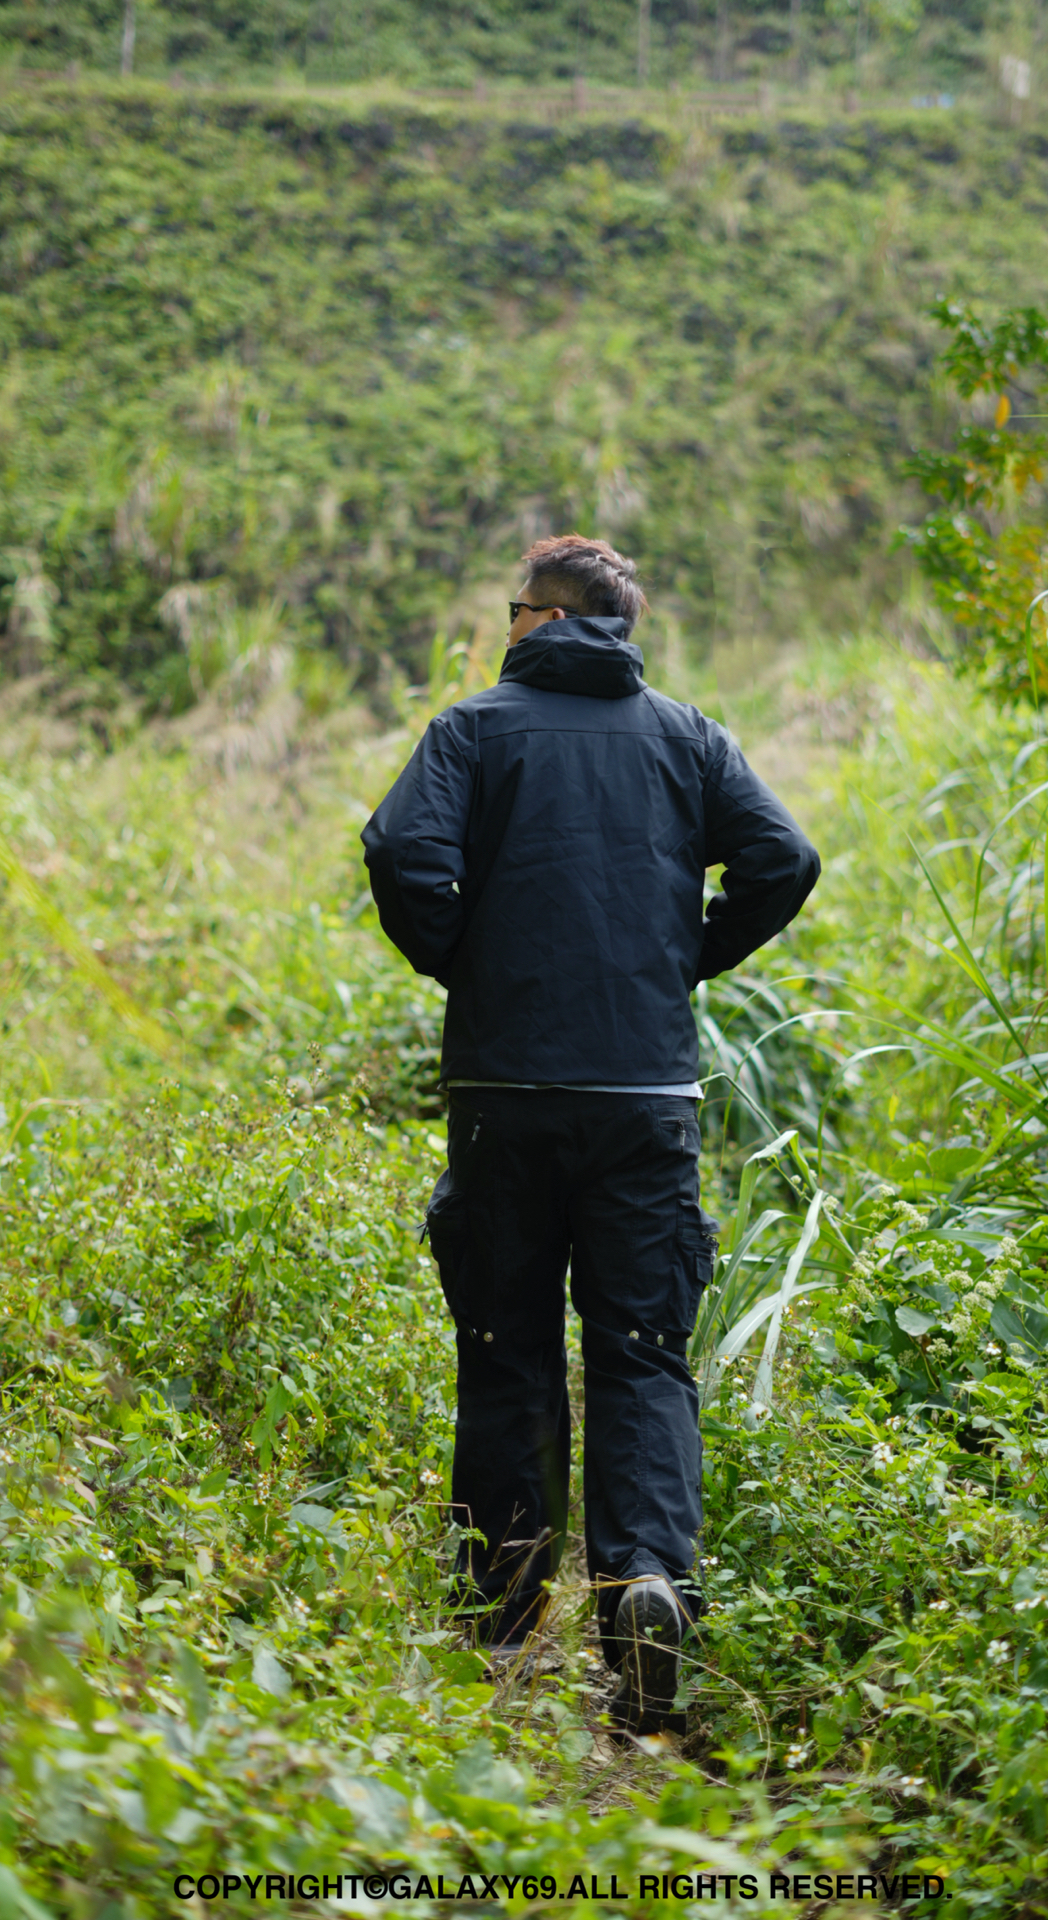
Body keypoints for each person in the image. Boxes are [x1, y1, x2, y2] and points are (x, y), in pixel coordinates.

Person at [361, 534, 820, 1735]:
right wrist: (682, 962)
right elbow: (783, 858)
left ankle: (505, 1632)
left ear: (546, 619)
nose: (506, 624)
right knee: (642, 1352)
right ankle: (647, 1584)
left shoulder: (472, 732)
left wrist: (465, 965)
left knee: (506, 1346)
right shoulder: (687, 737)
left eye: (515, 607)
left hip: (503, 1094)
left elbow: (401, 852)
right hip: (644, 1099)